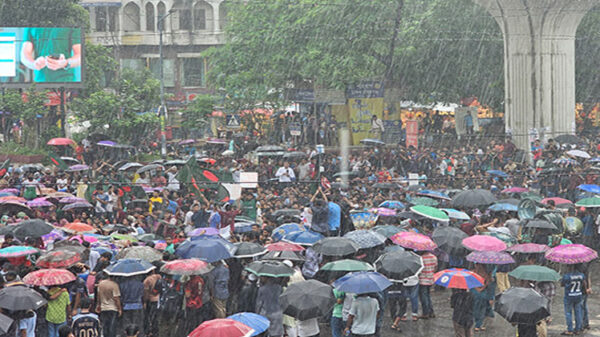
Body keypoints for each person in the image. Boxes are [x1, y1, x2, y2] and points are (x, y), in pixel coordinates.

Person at [561, 265, 586, 335]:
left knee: (568, 313)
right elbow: (584, 284)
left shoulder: (566, 276)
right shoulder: (582, 275)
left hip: (569, 296)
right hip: (578, 295)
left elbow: (562, 284)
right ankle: (578, 329)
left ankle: (570, 329)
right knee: (578, 312)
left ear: (570, 267)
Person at [417, 250, 437, 319]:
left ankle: (426, 313)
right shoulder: (434, 257)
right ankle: (431, 312)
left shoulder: (421, 258)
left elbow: (419, 269)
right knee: (428, 296)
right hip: (431, 279)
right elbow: (435, 268)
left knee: (424, 297)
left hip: (423, 280)